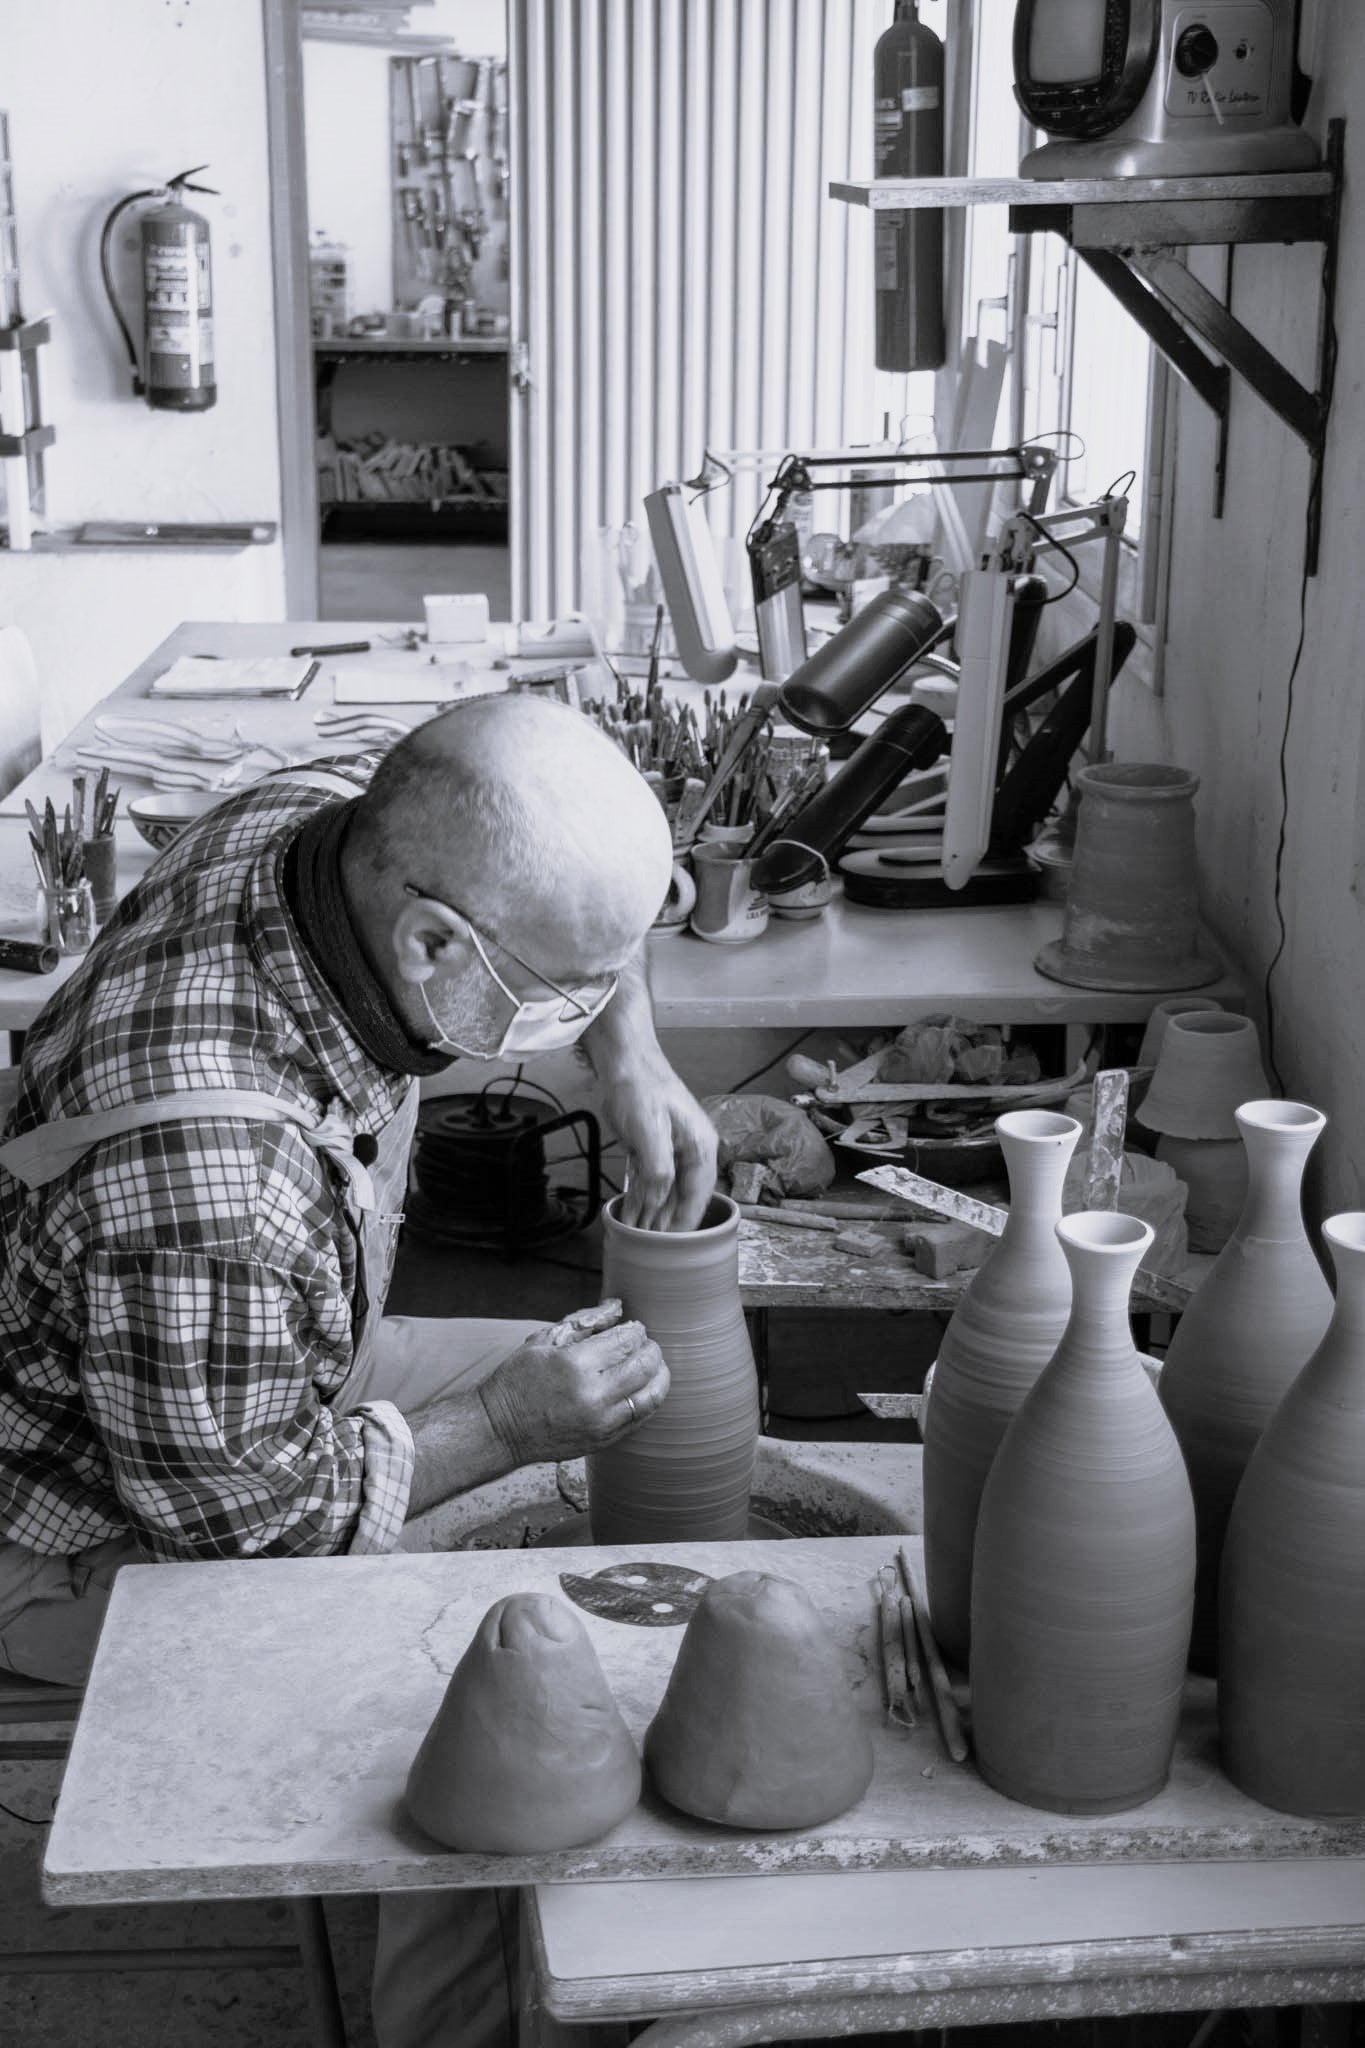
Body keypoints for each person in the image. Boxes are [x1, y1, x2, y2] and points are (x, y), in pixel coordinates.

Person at [0, 690, 719, 2046]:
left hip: (247, 1357)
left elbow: (529, 824)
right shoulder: (208, 1184)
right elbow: (243, 1533)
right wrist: (504, 1425)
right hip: (79, 1514)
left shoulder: (326, 817)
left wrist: (630, 1055)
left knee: (623, 1404)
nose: (572, 1017)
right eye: (561, 994)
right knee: (469, 1694)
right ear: (433, 941)